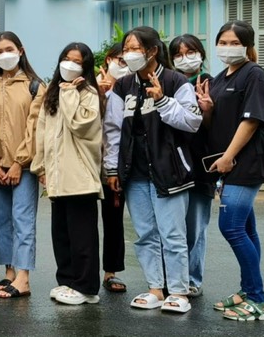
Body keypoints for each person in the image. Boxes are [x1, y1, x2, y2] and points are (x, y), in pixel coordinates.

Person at [104, 26, 201, 314]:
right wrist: (112, 169)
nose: (130, 54)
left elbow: (191, 122)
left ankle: (179, 291)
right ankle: (155, 289)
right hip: (135, 174)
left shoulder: (175, 81)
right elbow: (113, 131)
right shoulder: (123, 86)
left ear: (153, 51)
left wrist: (161, 100)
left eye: (135, 49)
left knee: (172, 235)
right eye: (127, 49)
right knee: (145, 234)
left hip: (169, 171)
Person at [196, 21, 264, 322]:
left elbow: (252, 120)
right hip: (227, 165)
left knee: (231, 227)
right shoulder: (218, 78)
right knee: (246, 229)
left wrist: (228, 157)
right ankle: (247, 290)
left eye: (233, 42)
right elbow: (217, 122)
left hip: (246, 164)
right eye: (223, 42)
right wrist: (207, 109)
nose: (227, 47)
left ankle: (258, 300)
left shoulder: (253, 74)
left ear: (247, 45)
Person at [31, 42, 104, 306]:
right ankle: (67, 281)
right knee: (61, 233)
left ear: (85, 68)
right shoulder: (53, 91)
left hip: (80, 176)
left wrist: (71, 93)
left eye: (77, 61)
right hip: (57, 176)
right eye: (66, 59)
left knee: (82, 235)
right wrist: (41, 167)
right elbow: (42, 133)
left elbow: (81, 125)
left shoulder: (88, 93)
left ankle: (86, 287)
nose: (69, 65)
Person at [0, 32, 46, 299]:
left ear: (21, 50)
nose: (4, 55)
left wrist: (19, 163)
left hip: (24, 167)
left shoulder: (34, 85)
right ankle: (9, 273)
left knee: (23, 219)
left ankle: (24, 277)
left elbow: (35, 127)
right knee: (0, 221)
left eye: (9, 49)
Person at [170, 33, 215, 298]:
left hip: (200, 167)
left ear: (201, 54)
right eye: (178, 54)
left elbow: (216, 128)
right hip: (172, 165)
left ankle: (192, 278)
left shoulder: (213, 84)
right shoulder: (168, 83)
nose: (185, 58)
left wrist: (207, 110)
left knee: (195, 227)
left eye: (190, 52)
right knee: (172, 226)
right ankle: (173, 277)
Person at [97, 41, 129, 293]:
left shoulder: (133, 88)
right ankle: (81, 271)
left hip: (120, 163)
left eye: (128, 61)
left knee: (114, 218)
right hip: (89, 163)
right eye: (120, 60)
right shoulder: (89, 85)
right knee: (84, 220)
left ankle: (111, 271)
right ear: (108, 59)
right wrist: (98, 95)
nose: (124, 66)